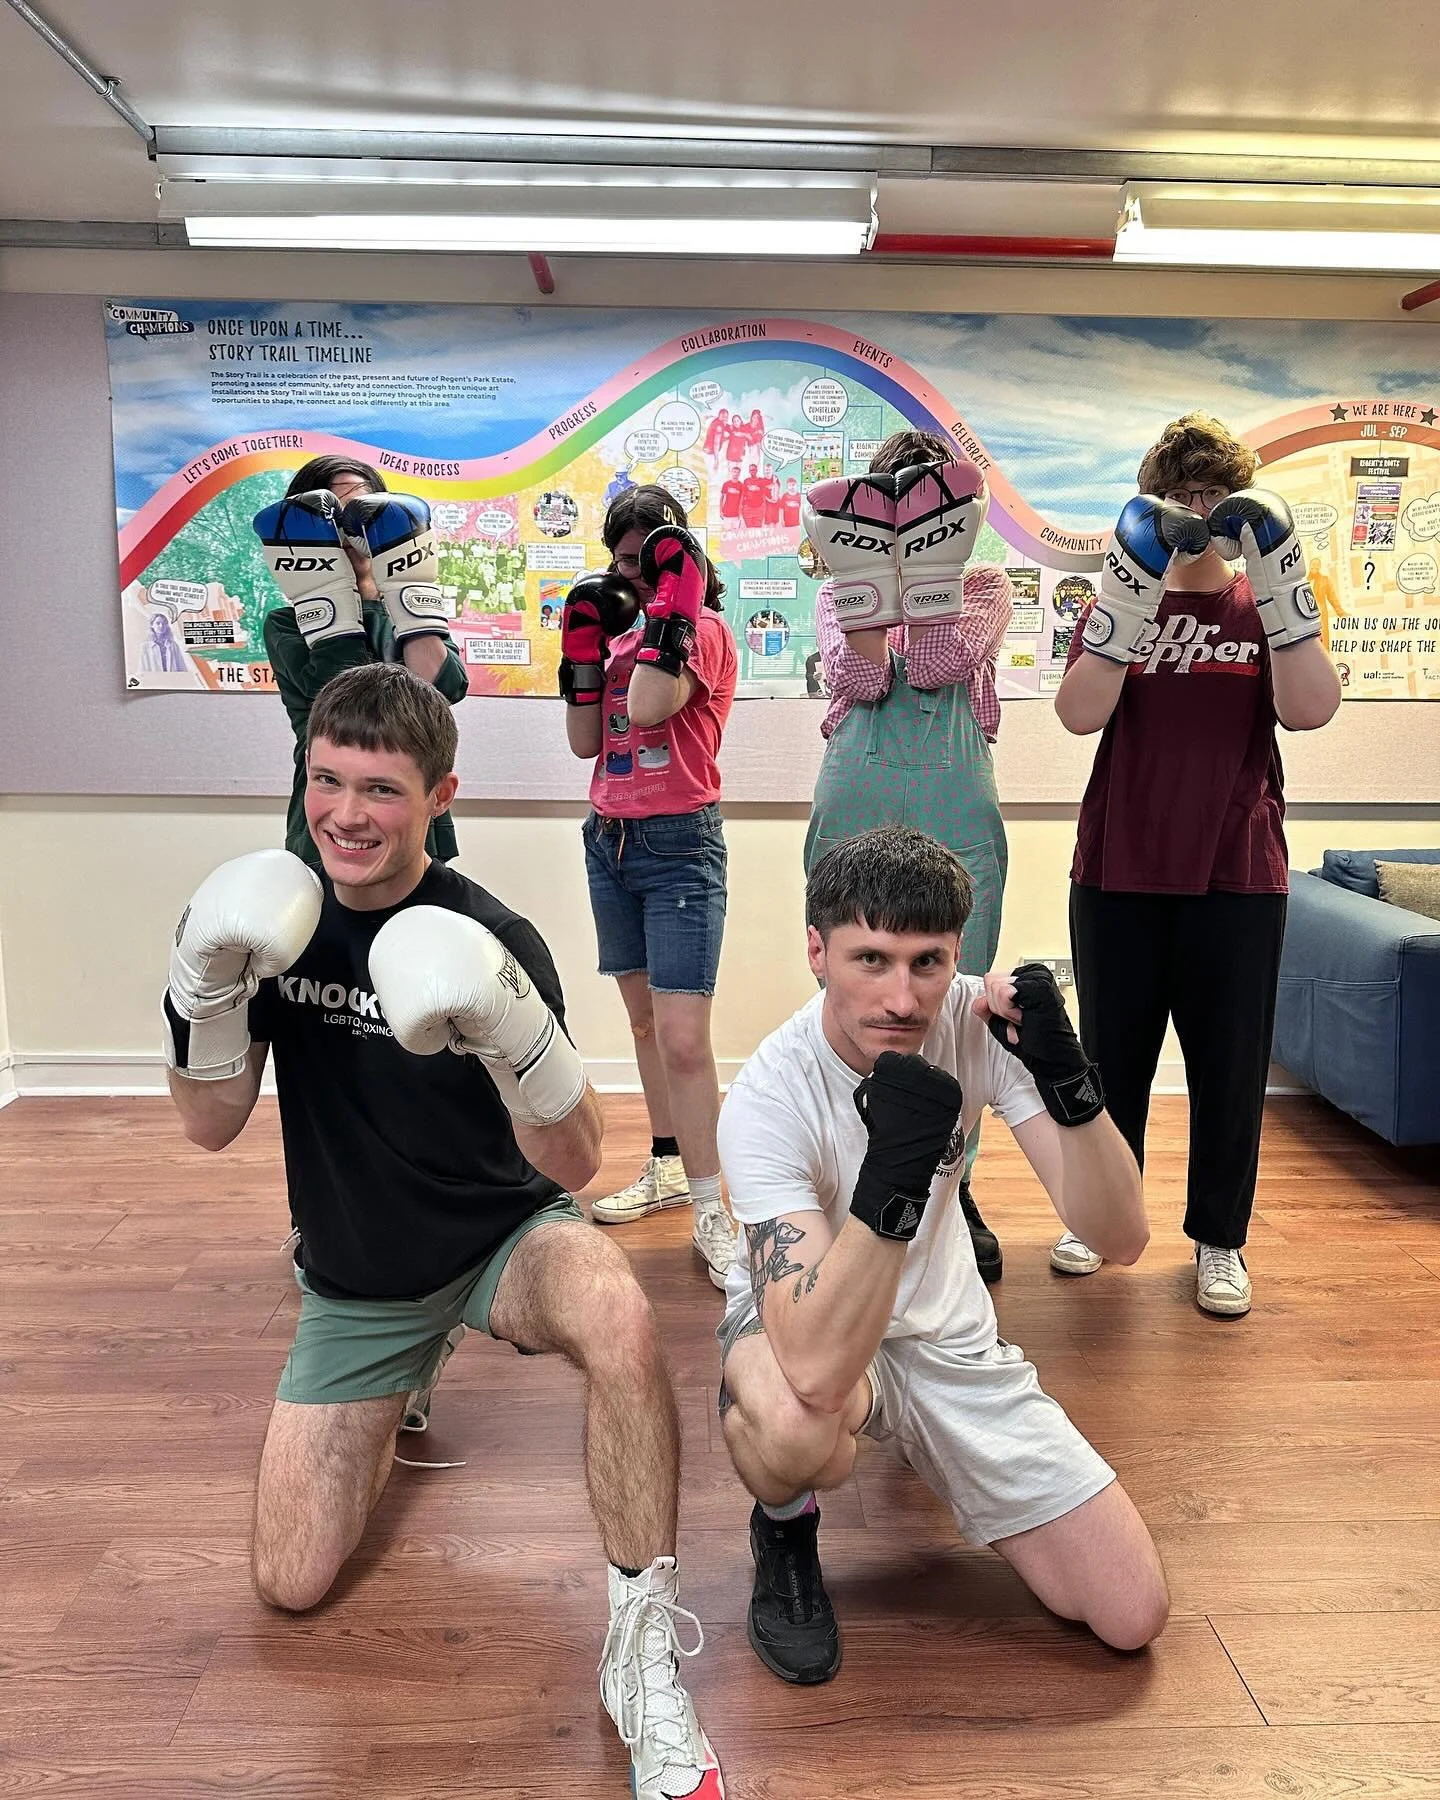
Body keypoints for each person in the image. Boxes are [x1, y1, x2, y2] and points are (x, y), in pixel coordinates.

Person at [160, 663, 723, 1800]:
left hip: (498, 1243)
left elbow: (578, 1161)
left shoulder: (490, 933)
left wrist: (508, 1033)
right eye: (327, 780)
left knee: (618, 1310)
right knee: (291, 1581)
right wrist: (198, 991)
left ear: (439, 795)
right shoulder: (271, 923)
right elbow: (211, 1126)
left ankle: (644, 1646)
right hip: (360, 1277)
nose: (347, 814)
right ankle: (400, 1378)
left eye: (379, 788)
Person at [715, 828, 1168, 1684]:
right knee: (796, 1424)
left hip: (946, 1339)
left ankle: (938, 1452)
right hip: (804, 1324)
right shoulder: (769, 1097)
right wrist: (896, 1174)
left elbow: (1121, 1239)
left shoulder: (975, 1023)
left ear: (958, 953)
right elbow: (813, 1364)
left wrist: (1072, 1089)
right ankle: (783, 1524)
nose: (901, 998)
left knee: (1130, 1610)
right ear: (817, 950)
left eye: (928, 962)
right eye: (870, 960)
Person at [1054, 412, 1342, 1314]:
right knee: (1110, 1060)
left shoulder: (1265, 607)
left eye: (1214, 496)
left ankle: (1220, 1240)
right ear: (1156, 503)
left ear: (1240, 506)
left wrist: (1282, 587)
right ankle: (1100, 1215)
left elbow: (1311, 711)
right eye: (1180, 496)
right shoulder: (1122, 600)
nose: (1197, 512)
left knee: (1229, 1066)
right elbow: (1075, 715)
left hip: (1237, 871)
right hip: (1120, 865)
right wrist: (1126, 607)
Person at [800, 431, 1015, 1283]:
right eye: (896, 502)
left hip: (955, 803)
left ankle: (949, 1188)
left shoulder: (987, 586)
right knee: (854, 998)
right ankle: (854, 1173)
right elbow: (862, 681)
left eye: (932, 508)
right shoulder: (838, 593)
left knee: (954, 1007)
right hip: (858, 796)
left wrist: (919, 577)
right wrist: (867, 580)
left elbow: (937, 661)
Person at [559, 487, 739, 1289]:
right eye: (619, 561)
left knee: (684, 1039)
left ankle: (713, 1208)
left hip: (678, 844)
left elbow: (652, 702)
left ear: (678, 560)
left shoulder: (702, 630)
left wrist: (669, 606)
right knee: (642, 1024)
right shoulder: (613, 626)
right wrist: (583, 653)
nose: (627, 576)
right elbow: (584, 741)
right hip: (610, 838)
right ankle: (668, 1165)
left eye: (644, 560)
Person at [256, 454, 468, 873]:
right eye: (333, 518)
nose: (349, 533)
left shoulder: (407, 617)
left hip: (407, 804)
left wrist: (408, 590)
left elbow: (444, 690)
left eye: (361, 513)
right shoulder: (285, 625)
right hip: (331, 811)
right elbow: (348, 705)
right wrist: (326, 591)